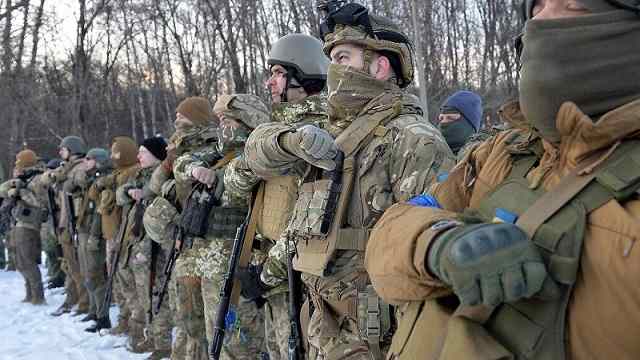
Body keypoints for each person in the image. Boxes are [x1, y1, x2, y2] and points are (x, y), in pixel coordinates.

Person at [365, 1, 640, 359]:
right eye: (536, 7)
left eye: (572, 3)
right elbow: (393, 228)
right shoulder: (502, 152)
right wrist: (436, 244)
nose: (538, 23)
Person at [245, 3, 454, 358]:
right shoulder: (335, 133)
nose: (334, 71)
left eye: (343, 57)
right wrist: (290, 141)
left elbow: (434, 258)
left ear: (380, 65)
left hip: (378, 338)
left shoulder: (413, 139)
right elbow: (255, 153)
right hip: (325, 328)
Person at [225, 33, 330, 360]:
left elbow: (313, 213)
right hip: (272, 272)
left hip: (300, 278)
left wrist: (267, 274)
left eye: (277, 73)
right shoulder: (271, 132)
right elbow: (234, 187)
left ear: (302, 76)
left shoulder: (319, 133)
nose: (269, 82)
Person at [116, 136, 172, 358]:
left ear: (157, 156)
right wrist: (130, 192)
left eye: (143, 152)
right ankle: (151, 337)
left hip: (155, 248)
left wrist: (144, 196)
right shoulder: (139, 175)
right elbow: (120, 195)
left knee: (156, 295)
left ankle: (162, 343)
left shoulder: (162, 176)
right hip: (137, 247)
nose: (138, 156)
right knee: (143, 295)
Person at [67, 148, 112, 332]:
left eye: (88, 159)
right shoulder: (88, 179)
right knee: (87, 273)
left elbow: (99, 213)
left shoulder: (102, 180)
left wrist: (94, 236)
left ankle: (103, 316)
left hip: (95, 233)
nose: (84, 162)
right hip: (84, 229)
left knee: (95, 274)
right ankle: (94, 310)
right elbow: (68, 188)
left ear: (98, 161)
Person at [48, 136, 91, 316]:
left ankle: (84, 303)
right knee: (70, 266)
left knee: (78, 266)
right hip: (65, 223)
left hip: (76, 223)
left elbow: (81, 184)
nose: (60, 152)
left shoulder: (79, 168)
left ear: (72, 150)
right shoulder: (66, 169)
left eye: (63, 149)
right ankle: (73, 298)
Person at [0, 150, 48, 305]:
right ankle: (29, 293)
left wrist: (21, 191)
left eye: (19, 164)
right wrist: (14, 186)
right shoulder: (23, 179)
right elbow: (2, 190)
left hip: (29, 225)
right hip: (18, 222)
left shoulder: (38, 179)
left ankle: (38, 296)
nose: (16, 167)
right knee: (20, 262)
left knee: (28, 261)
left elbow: (39, 202)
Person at [437, 90, 484, 160]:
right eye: (441, 118)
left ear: (469, 124)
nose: (443, 123)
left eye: (450, 118)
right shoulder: (430, 154)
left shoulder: (482, 157)